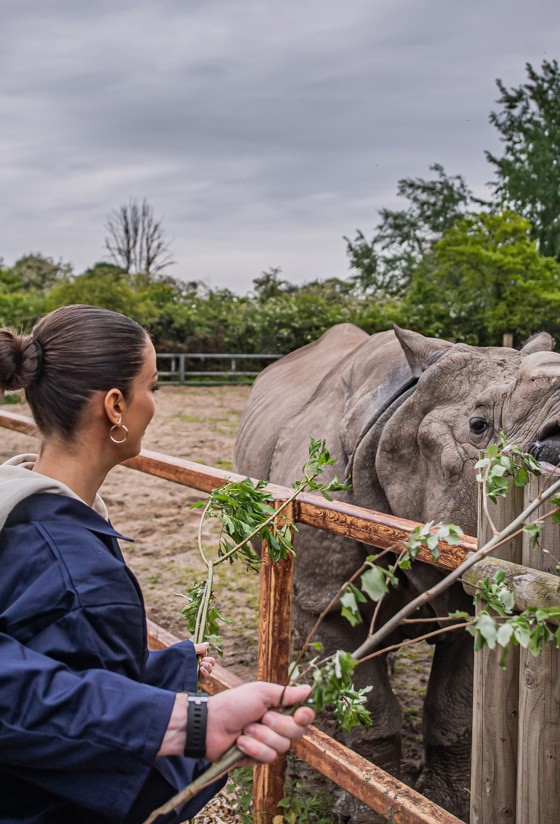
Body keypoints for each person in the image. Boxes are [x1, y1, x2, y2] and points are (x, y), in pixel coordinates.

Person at [0, 304, 315, 823]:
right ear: (117, 405)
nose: (156, 402)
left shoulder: (19, 515)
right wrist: (206, 735)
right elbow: (118, 788)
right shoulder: (81, 574)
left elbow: (51, 669)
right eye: (154, 385)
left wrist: (169, 667)